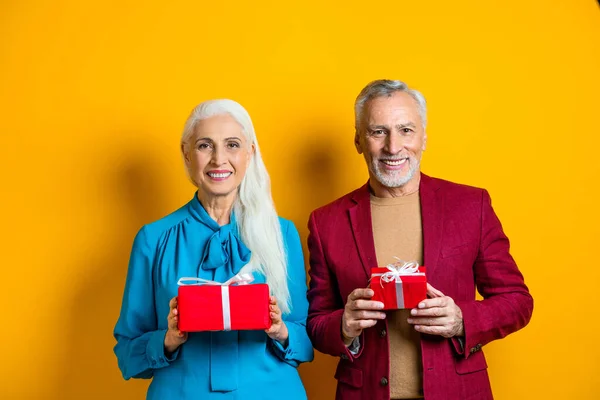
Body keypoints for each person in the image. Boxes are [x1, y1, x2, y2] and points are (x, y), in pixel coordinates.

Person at [306, 80, 533, 400]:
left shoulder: (471, 206)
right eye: (378, 132)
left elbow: (518, 302)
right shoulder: (326, 222)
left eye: (406, 130)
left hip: (457, 391)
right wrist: (344, 326)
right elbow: (316, 322)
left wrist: (461, 320)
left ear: (424, 137)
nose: (393, 146)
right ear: (358, 140)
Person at [113, 99, 314, 399]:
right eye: (205, 146)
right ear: (186, 153)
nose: (219, 159)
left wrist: (279, 330)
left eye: (232, 145)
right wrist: (167, 339)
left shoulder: (282, 233)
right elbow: (128, 355)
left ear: (250, 154)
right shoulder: (152, 239)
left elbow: (306, 340)